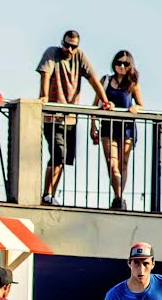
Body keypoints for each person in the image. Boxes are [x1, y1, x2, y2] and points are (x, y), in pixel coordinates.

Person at [37, 30, 114, 205]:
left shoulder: (79, 56)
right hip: (52, 115)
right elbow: (45, 73)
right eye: (66, 45)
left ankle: (50, 195)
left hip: (70, 118)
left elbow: (93, 78)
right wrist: (44, 96)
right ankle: (46, 194)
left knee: (64, 159)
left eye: (73, 46)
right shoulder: (52, 53)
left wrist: (105, 100)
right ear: (61, 43)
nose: (69, 50)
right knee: (58, 153)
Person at [89, 51, 144, 210]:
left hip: (127, 129)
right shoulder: (105, 81)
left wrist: (135, 108)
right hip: (108, 127)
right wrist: (93, 125)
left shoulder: (133, 84)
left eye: (125, 64)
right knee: (112, 163)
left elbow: (141, 105)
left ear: (130, 66)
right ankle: (118, 196)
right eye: (119, 63)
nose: (121, 66)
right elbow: (95, 105)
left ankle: (119, 197)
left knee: (123, 164)